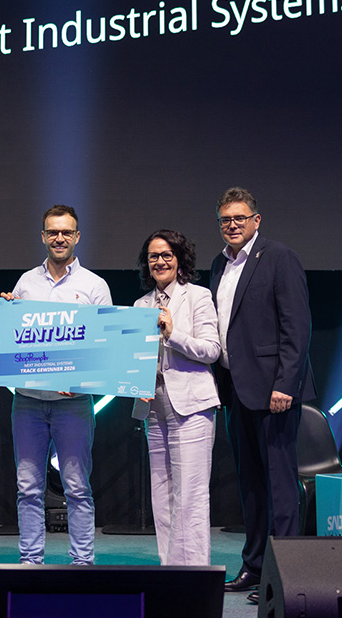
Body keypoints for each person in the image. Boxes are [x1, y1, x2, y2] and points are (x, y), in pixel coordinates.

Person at [209, 188, 315, 602]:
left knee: (280, 487)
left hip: (274, 392)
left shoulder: (279, 257)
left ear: (256, 220)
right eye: (225, 219)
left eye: (240, 218)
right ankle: (254, 567)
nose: (232, 225)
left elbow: (297, 327)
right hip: (235, 390)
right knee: (251, 486)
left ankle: (285, 576)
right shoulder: (220, 263)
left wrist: (285, 384)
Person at [1, 204, 112, 565]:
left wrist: (82, 379)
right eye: (53, 232)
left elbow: (104, 346)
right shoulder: (25, 284)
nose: (59, 238)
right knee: (27, 488)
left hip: (73, 403)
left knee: (77, 487)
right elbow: (13, 340)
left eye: (66, 232)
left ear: (77, 236)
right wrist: (4, 316)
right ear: (43, 236)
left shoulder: (94, 286)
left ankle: (82, 562)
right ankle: (31, 561)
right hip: (28, 402)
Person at [132, 229, 222, 566]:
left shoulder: (198, 296)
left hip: (192, 405)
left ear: (179, 259)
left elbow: (211, 350)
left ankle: (195, 574)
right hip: (153, 406)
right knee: (162, 493)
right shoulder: (141, 305)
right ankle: (169, 570)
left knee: (191, 494)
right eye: (153, 256)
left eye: (166, 255)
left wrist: (173, 334)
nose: (160, 261)